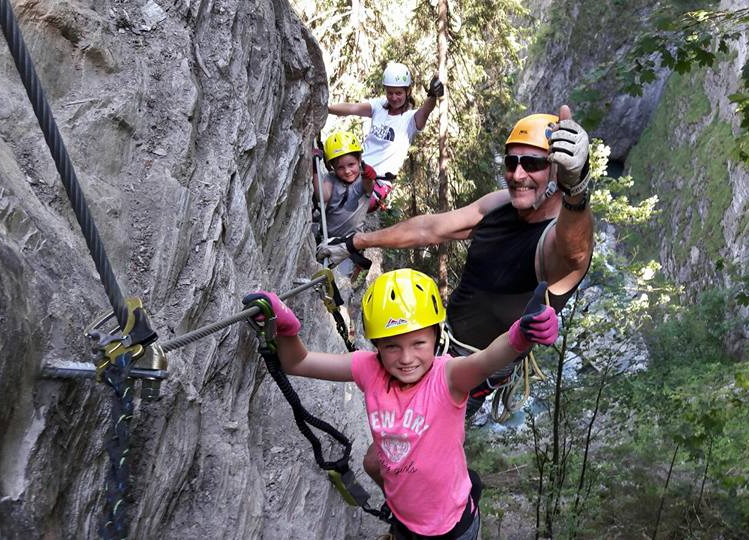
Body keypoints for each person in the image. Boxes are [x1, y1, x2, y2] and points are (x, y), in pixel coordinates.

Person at [316, 105, 595, 418]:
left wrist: (576, 189)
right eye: (511, 162)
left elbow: (574, 254)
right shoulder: (501, 205)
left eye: (532, 164)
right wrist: (354, 242)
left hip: (471, 374)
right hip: (440, 346)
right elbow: (429, 228)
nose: (518, 175)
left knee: (418, 440)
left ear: (557, 171)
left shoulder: (554, 240)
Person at [252, 269, 558, 538]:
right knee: (374, 464)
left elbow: (486, 360)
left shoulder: (448, 377)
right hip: (403, 516)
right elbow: (298, 363)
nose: (407, 358)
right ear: (377, 346)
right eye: (392, 346)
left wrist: (520, 337)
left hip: (450, 528)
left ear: (436, 337)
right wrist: (286, 328)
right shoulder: (368, 368)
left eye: (418, 343)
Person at [328, 62, 445, 210]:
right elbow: (352, 108)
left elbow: (426, 110)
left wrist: (433, 95)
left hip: (378, 181)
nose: (394, 97)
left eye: (398, 93)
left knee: (352, 204)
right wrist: (327, 109)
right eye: (390, 93)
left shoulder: (410, 119)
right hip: (357, 171)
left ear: (408, 91)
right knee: (326, 191)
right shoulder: (379, 106)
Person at [315, 130, 376, 240]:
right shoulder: (332, 178)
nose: (347, 171)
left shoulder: (363, 181)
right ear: (333, 167)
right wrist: (315, 170)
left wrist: (368, 177)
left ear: (359, 160)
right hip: (327, 236)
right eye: (340, 167)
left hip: (352, 240)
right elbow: (322, 196)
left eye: (351, 164)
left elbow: (369, 187)